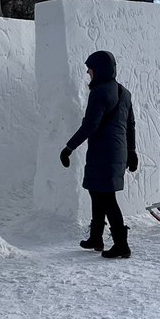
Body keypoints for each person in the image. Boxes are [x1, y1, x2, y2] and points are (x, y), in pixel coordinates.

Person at [60, 50, 138, 259]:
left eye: (90, 69)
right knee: (97, 193)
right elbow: (130, 125)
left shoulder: (100, 92)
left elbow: (89, 125)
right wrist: (132, 151)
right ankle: (96, 238)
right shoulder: (124, 92)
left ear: (100, 69)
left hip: (104, 152)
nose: (88, 72)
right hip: (117, 152)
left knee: (106, 197)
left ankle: (121, 245)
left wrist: (69, 148)